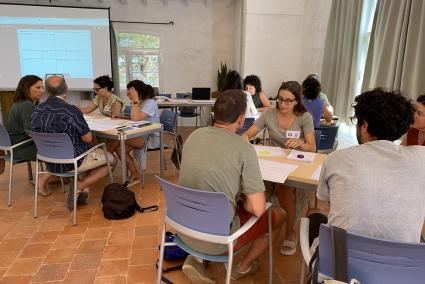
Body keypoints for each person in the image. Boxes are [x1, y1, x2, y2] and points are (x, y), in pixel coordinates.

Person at [178, 90, 285, 282]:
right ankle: (243, 267)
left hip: (183, 230)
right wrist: (243, 200)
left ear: (215, 113)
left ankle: (195, 258)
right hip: (218, 241)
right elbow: (257, 208)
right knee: (278, 216)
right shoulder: (244, 148)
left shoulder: (193, 136)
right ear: (242, 119)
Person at [317, 88, 425, 242]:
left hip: (340, 263)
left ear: (365, 125)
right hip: (400, 264)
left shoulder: (335, 159)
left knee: (315, 220)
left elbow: (324, 205)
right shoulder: (421, 158)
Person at [242, 81, 315, 256]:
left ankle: (290, 233)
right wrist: (244, 138)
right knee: (252, 187)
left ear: (296, 101)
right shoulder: (269, 114)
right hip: (274, 162)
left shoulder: (304, 117)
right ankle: (261, 227)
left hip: (296, 162)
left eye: (288, 101)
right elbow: (248, 133)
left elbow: (312, 146)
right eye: (280, 99)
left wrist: (301, 143)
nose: (282, 104)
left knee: (284, 192)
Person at [31, 75, 115, 210]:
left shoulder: (37, 110)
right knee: (110, 160)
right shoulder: (71, 110)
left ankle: (83, 188)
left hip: (50, 162)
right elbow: (87, 138)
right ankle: (80, 186)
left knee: (89, 154)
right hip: (72, 161)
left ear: (47, 91)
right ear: (66, 90)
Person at [6, 75, 51, 195]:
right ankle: (44, 179)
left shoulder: (22, 103)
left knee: (57, 147)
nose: (42, 90)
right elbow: (32, 132)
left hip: (16, 145)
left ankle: (53, 176)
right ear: (27, 89)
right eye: (38, 87)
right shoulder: (26, 105)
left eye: (42, 87)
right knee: (60, 150)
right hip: (21, 147)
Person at [109, 80, 160, 185]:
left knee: (117, 139)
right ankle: (135, 173)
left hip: (149, 137)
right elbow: (134, 118)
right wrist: (121, 116)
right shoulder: (139, 102)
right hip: (138, 134)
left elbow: (137, 118)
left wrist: (135, 101)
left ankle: (107, 155)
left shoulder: (150, 103)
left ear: (138, 94)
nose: (128, 95)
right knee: (119, 149)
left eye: (130, 93)